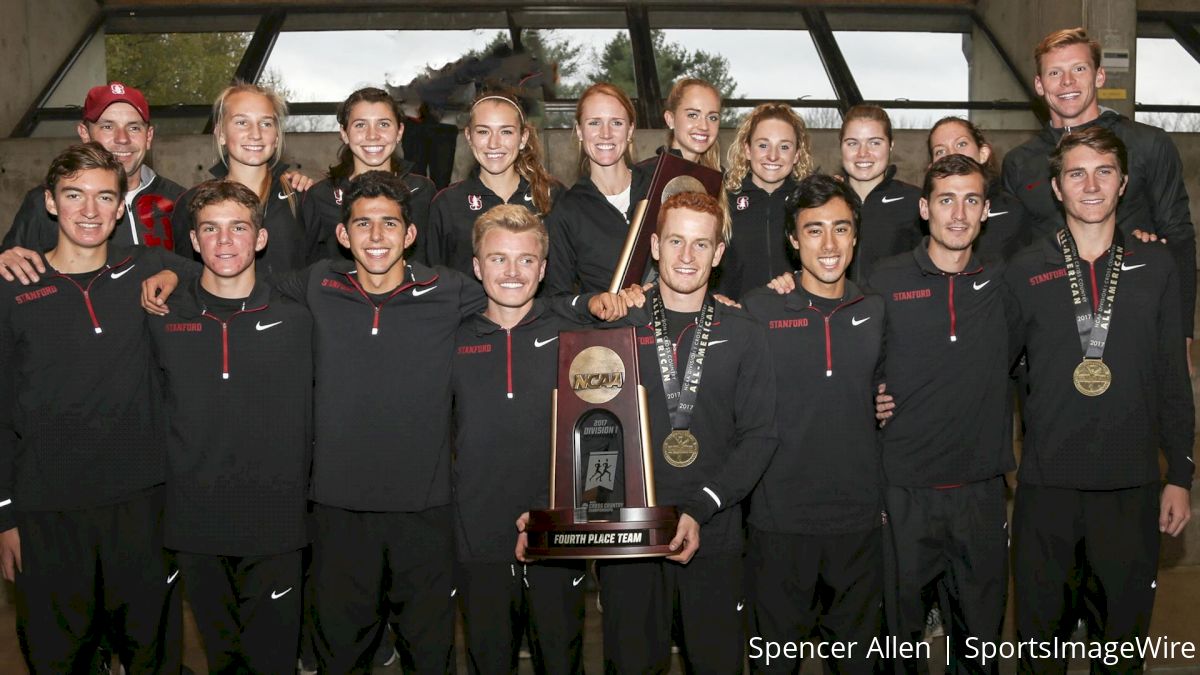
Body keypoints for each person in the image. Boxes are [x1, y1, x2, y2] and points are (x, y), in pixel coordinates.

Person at [143, 170, 632, 673]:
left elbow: (522, 294)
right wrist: (169, 269)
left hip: (427, 515)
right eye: (363, 224)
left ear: (410, 234)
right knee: (341, 656)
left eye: (389, 224)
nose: (376, 237)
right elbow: (230, 268)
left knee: (428, 655)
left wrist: (591, 301)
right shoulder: (315, 283)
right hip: (335, 515)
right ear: (342, 234)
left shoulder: (449, 290)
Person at [525, 191, 778, 673]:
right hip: (630, 537)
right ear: (656, 245)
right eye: (677, 241)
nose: (687, 256)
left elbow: (760, 436)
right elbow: (591, 428)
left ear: (719, 253)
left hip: (714, 530)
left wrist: (702, 508)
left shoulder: (745, 333)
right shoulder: (616, 328)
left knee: (718, 663)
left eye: (701, 245)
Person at [1004, 127, 1192, 672]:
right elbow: (995, 372)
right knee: (1042, 651)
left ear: (1124, 183)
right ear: (1057, 188)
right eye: (1076, 173)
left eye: (1103, 172)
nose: (1091, 185)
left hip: (1131, 489)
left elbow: (1171, 379)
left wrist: (1179, 474)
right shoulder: (1024, 269)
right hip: (1047, 488)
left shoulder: (1157, 267)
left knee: (1122, 652)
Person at [0, 143, 185, 673]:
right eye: (74, 195)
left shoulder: (146, 268)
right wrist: (4, 516)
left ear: (122, 205)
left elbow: (210, 269)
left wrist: (176, 274)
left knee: (154, 655)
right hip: (47, 514)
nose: (89, 210)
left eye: (105, 196)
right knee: (59, 658)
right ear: (50, 203)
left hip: (144, 508)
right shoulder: (13, 288)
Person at [452, 204, 629, 673]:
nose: (512, 272)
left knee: (562, 659)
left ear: (544, 268)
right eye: (498, 259)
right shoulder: (449, 338)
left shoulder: (576, 336)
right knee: (489, 661)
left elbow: (604, 430)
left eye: (526, 260)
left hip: (556, 532)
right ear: (476, 266)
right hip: (477, 536)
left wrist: (583, 511)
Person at [146, 179, 312, 674]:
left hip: (277, 524)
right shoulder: (160, 315)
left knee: (273, 661)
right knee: (224, 660)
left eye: (239, 228)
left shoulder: (299, 318)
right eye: (210, 230)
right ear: (192, 242)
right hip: (196, 523)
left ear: (260, 239)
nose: (224, 241)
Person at [869, 154, 1012, 673]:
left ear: (986, 210)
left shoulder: (1006, 281)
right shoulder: (883, 280)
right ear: (925, 208)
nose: (958, 214)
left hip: (980, 491)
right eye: (947, 200)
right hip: (903, 490)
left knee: (979, 644)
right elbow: (848, 352)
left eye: (971, 200)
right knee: (899, 644)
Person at [742, 174, 884, 674]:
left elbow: (891, 392)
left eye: (841, 229)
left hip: (859, 523)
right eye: (814, 229)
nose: (829, 244)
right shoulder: (759, 310)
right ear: (793, 239)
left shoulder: (877, 309)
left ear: (855, 235)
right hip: (779, 523)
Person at [1001, 27, 1194, 339]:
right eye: (1054, 72)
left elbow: (1179, 239)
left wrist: (1182, 334)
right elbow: (1010, 251)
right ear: (1039, 84)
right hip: (1049, 327)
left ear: (1099, 76)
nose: (1067, 82)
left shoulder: (1147, 144)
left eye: (1079, 69)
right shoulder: (1020, 162)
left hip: (1133, 324)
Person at [2, 82, 185, 253]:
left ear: (149, 136)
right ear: (85, 134)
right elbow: (13, 269)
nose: (122, 138)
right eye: (107, 126)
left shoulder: (180, 201)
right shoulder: (45, 202)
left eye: (134, 128)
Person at [172, 82, 309, 277]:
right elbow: (186, 274)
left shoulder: (302, 197)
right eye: (242, 122)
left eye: (266, 123)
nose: (255, 134)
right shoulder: (192, 202)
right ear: (220, 134)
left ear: (277, 137)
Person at [424, 90, 562, 276]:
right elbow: (436, 282)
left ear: (523, 138)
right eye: (483, 131)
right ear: (469, 137)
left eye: (505, 131)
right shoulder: (447, 204)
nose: (494, 143)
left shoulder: (552, 195)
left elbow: (564, 278)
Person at [304, 86, 435, 264]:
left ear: (400, 132)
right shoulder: (321, 196)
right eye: (360, 125)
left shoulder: (423, 191)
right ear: (344, 134)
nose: (372, 135)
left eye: (383, 124)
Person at [544, 83, 651, 295]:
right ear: (579, 131)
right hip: (607, 327)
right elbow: (557, 297)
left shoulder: (657, 189)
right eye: (594, 123)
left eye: (617, 123)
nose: (606, 134)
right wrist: (596, 303)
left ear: (630, 130)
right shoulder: (566, 210)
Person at [719, 103, 815, 299]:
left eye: (784, 146)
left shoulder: (810, 202)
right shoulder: (722, 201)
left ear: (797, 154)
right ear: (747, 149)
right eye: (763, 145)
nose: (772, 156)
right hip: (736, 318)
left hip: (797, 317)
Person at [838, 104, 922, 284]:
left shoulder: (915, 201)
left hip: (895, 311)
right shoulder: (823, 200)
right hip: (836, 310)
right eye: (852, 143)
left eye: (874, 142)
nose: (862, 153)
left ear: (890, 145)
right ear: (841, 146)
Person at [927, 116, 1029, 262]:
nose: (952, 154)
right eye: (940, 151)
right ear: (931, 167)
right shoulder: (924, 215)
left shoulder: (1013, 211)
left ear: (983, 154)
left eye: (961, 144)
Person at [635, 77, 724, 172]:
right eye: (693, 115)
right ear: (670, 119)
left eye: (712, 118)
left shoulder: (721, 178)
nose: (704, 126)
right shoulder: (643, 176)